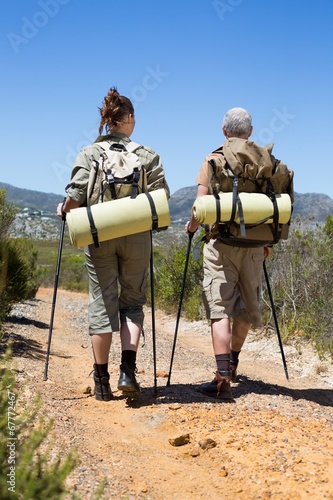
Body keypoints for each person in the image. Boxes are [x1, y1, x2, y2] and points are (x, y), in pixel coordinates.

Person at [57, 87, 169, 401]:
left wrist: (63, 210)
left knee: (102, 304)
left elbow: (75, 197)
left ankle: (102, 381)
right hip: (136, 237)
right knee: (132, 303)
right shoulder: (147, 154)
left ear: (107, 121)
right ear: (129, 119)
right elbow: (163, 198)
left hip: (98, 234)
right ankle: (128, 371)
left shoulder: (89, 153)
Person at [185, 107, 285, 401]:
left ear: (224, 130)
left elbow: (199, 207)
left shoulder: (213, 159)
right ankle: (234, 361)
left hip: (221, 245)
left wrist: (190, 228)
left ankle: (223, 378)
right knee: (245, 306)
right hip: (255, 247)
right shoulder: (264, 161)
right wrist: (266, 242)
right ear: (250, 132)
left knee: (220, 309)